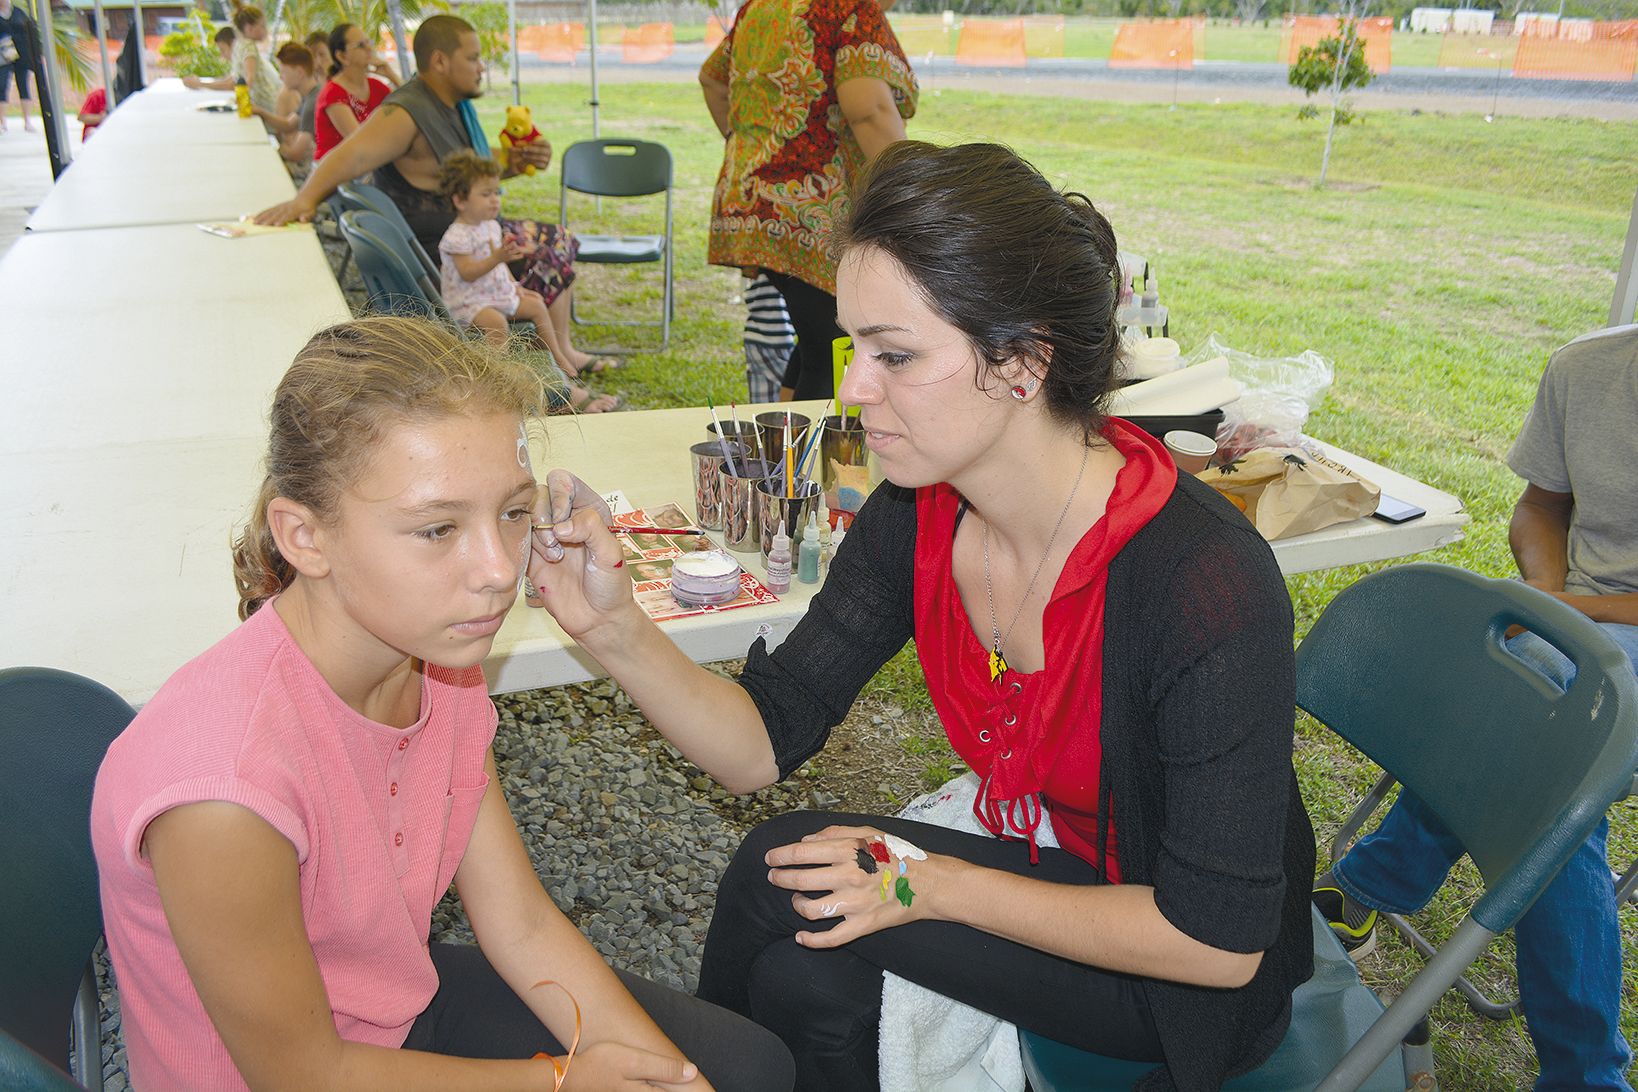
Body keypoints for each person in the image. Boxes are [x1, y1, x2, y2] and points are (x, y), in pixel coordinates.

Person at [525, 141, 1316, 1091]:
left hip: (1179, 964)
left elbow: (1218, 942)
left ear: (1022, 363)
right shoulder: (919, 510)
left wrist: (924, 882)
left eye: (895, 355)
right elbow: (760, 745)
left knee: (779, 875)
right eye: (858, 348)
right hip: (1054, 853)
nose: (856, 389)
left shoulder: (1200, 583)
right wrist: (611, 627)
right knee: (806, 979)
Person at [90, 316, 794, 1092]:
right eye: (437, 529)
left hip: (388, 1021)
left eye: (515, 512)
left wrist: (670, 1079)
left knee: (744, 1071)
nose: (497, 570)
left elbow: (520, 924)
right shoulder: (223, 788)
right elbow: (304, 1075)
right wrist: (560, 1083)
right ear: (304, 536)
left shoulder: (438, 667)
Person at [1316, 323, 1638, 1092]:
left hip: (1590, 625)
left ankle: (1366, 891)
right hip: (1577, 625)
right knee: (1520, 722)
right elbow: (1540, 506)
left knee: (1543, 762)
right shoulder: (1589, 367)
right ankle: (1585, 1078)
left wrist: (1568, 610)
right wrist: (1559, 604)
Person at [253, 15, 613, 378]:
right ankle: (550, 368)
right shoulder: (406, 111)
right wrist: (305, 200)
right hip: (448, 250)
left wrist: (516, 162)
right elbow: (351, 155)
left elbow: (462, 172)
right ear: (440, 61)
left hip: (467, 233)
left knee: (556, 241)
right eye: (472, 58)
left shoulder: (447, 107)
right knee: (551, 247)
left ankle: (558, 355)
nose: (480, 67)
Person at [699, 0, 917, 401]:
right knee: (832, 347)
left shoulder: (762, 6)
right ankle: (806, 462)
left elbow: (712, 79)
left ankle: (785, 447)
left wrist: (749, 142)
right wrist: (913, 190)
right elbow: (868, 109)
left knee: (816, 333)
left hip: (754, 200)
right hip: (813, 209)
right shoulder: (851, 8)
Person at [438, 149, 618, 412]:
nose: (494, 201)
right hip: (468, 301)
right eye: (485, 194)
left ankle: (558, 357)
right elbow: (468, 272)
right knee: (495, 323)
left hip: (491, 293)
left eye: (497, 193)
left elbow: (499, 271)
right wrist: (498, 257)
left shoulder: (489, 226)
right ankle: (496, 377)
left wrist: (514, 286)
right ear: (460, 200)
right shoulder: (457, 235)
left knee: (535, 303)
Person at [314, 22, 392, 161]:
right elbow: (360, 142)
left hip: (367, 167)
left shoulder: (377, 87)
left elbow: (410, 112)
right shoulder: (333, 94)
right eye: (361, 45)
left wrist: (392, 75)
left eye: (368, 43)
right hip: (336, 174)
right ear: (342, 56)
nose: (369, 48)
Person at [184, 5, 280, 114]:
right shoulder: (244, 45)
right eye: (262, 26)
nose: (265, 30)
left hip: (265, 106)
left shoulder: (246, 46)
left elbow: (248, 79)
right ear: (250, 28)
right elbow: (238, 79)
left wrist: (200, 84)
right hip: (263, 104)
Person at [256, 42, 319, 168]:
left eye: (283, 71)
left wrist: (278, 147)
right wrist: (260, 112)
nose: (280, 77)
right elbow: (288, 124)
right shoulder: (311, 95)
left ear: (300, 72)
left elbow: (295, 154)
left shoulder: (312, 104)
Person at [741, 272, 796, 404]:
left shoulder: (766, 268)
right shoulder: (778, 269)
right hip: (774, 338)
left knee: (762, 395)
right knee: (793, 386)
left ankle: (764, 423)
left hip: (755, 336)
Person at [0, 0, 37, 134]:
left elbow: (30, 33)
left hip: (22, 54)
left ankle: (27, 121)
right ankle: (2, 122)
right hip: (3, 56)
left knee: (24, 86)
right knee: (2, 86)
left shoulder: (19, 13)